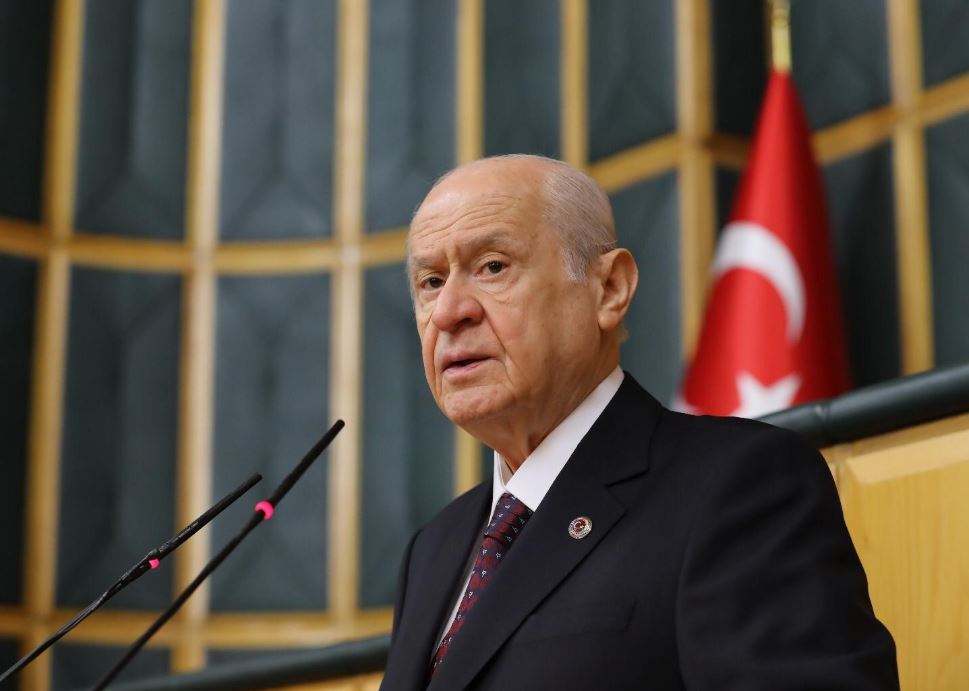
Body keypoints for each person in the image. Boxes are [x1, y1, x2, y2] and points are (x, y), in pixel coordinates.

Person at [380, 154, 898, 690]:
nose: (449, 311)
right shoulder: (434, 550)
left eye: (493, 266)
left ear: (609, 289)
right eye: (431, 281)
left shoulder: (739, 484)